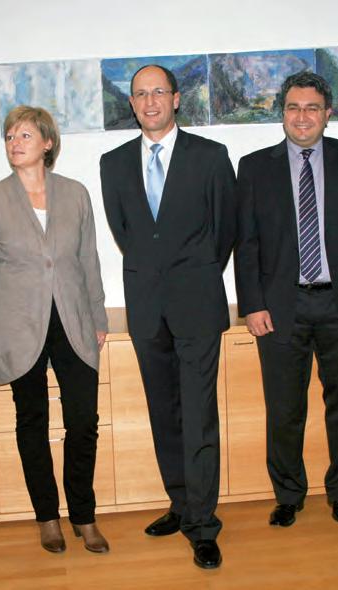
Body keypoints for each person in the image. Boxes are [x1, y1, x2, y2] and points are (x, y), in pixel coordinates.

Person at [234, 71, 338, 529]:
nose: (302, 117)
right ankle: (288, 495)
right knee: (284, 410)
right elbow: (246, 243)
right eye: (294, 108)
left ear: (327, 113)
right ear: (282, 113)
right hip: (281, 309)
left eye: (312, 108)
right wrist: (252, 305)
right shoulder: (254, 167)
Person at [99, 64, 236, 569]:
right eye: (140, 94)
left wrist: (193, 275)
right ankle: (181, 504)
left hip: (197, 304)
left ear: (176, 99)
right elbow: (126, 234)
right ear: (132, 103)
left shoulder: (210, 156)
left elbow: (225, 232)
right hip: (146, 308)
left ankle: (203, 525)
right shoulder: (113, 163)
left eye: (159, 92)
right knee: (164, 414)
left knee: (198, 417)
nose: (150, 101)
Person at [0, 106, 109, 555]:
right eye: (10, 136)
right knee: (31, 423)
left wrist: (98, 318)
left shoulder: (75, 193)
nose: (15, 143)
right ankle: (47, 517)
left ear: (47, 143)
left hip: (73, 322)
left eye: (25, 135)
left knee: (83, 422)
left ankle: (84, 516)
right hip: (17, 327)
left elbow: (88, 260)